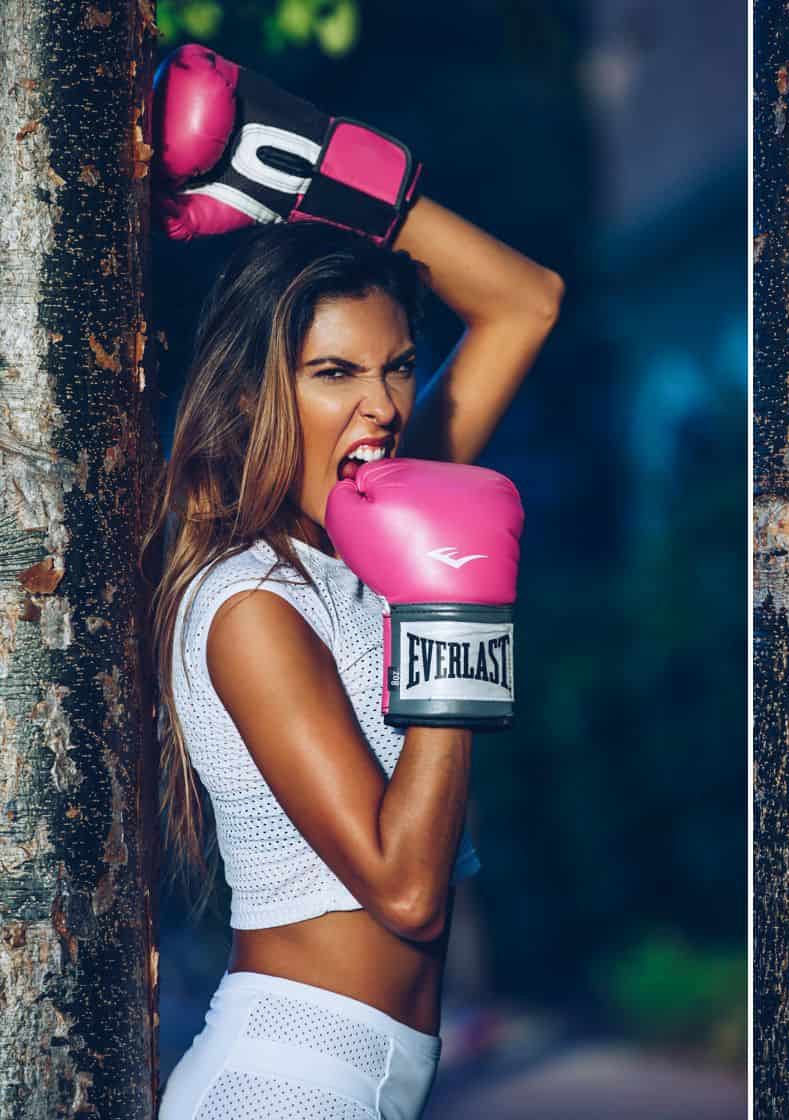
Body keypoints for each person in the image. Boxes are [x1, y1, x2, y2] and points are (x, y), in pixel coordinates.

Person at [145, 45, 563, 1119]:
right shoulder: (250, 605)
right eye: (334, 372)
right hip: (280, 1082)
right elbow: (408, 890)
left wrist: (293, 161)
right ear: (258, 397)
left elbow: (525, 298)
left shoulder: (383, 531)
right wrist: (456, 616)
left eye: (396, 364)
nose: (378, 404)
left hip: (374, 1080)